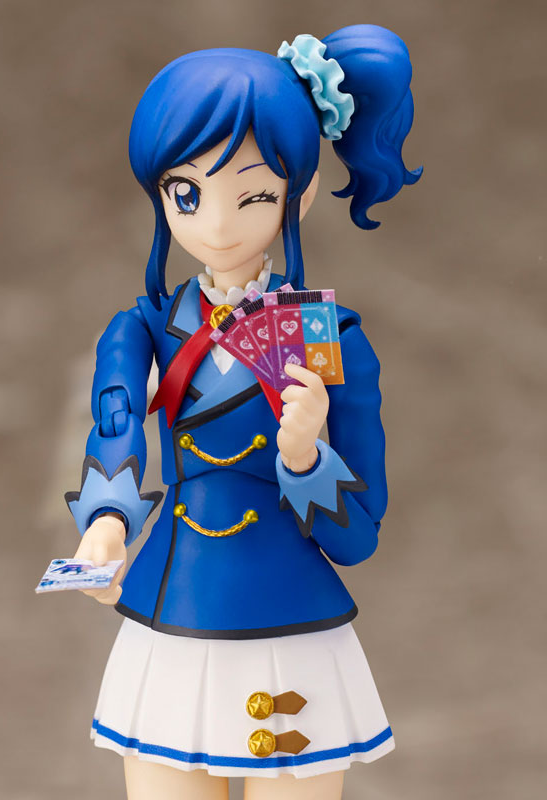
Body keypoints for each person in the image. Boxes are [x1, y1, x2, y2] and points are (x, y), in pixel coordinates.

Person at [65, 24, 421, 800]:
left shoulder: (327, 336)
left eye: (252, 194)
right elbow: (116, 427)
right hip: (173, 605)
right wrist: (106, 523)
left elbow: (359, 535)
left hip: (289, 618)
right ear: (161, 194)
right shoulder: (144, 329)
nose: (219, 226)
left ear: (299, 195)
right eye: (187, 194)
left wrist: (306, 457)